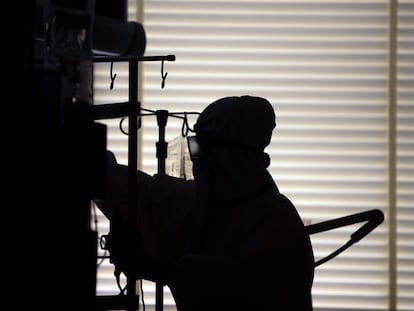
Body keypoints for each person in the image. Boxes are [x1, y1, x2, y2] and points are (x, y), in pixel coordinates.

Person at [95, 95, 314, 310]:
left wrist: (160, 270)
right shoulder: (204, 204)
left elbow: (234, 285)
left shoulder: (279, 222)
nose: (194, 158)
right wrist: (87, 160)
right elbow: (140, 191)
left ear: (230, 156)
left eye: (198, 148)